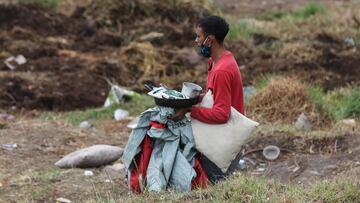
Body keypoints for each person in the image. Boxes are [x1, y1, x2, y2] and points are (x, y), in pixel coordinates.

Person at [169, 15, 244, 182]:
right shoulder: (217, 61)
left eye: (199, 37)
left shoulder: (222, 71)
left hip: (224, 142)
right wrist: (194, 99)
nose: (196, 41)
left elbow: (222, 114)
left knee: (215, 188)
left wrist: (189, 110)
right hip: (222, 136)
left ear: (210, 40)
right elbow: (216, 96)